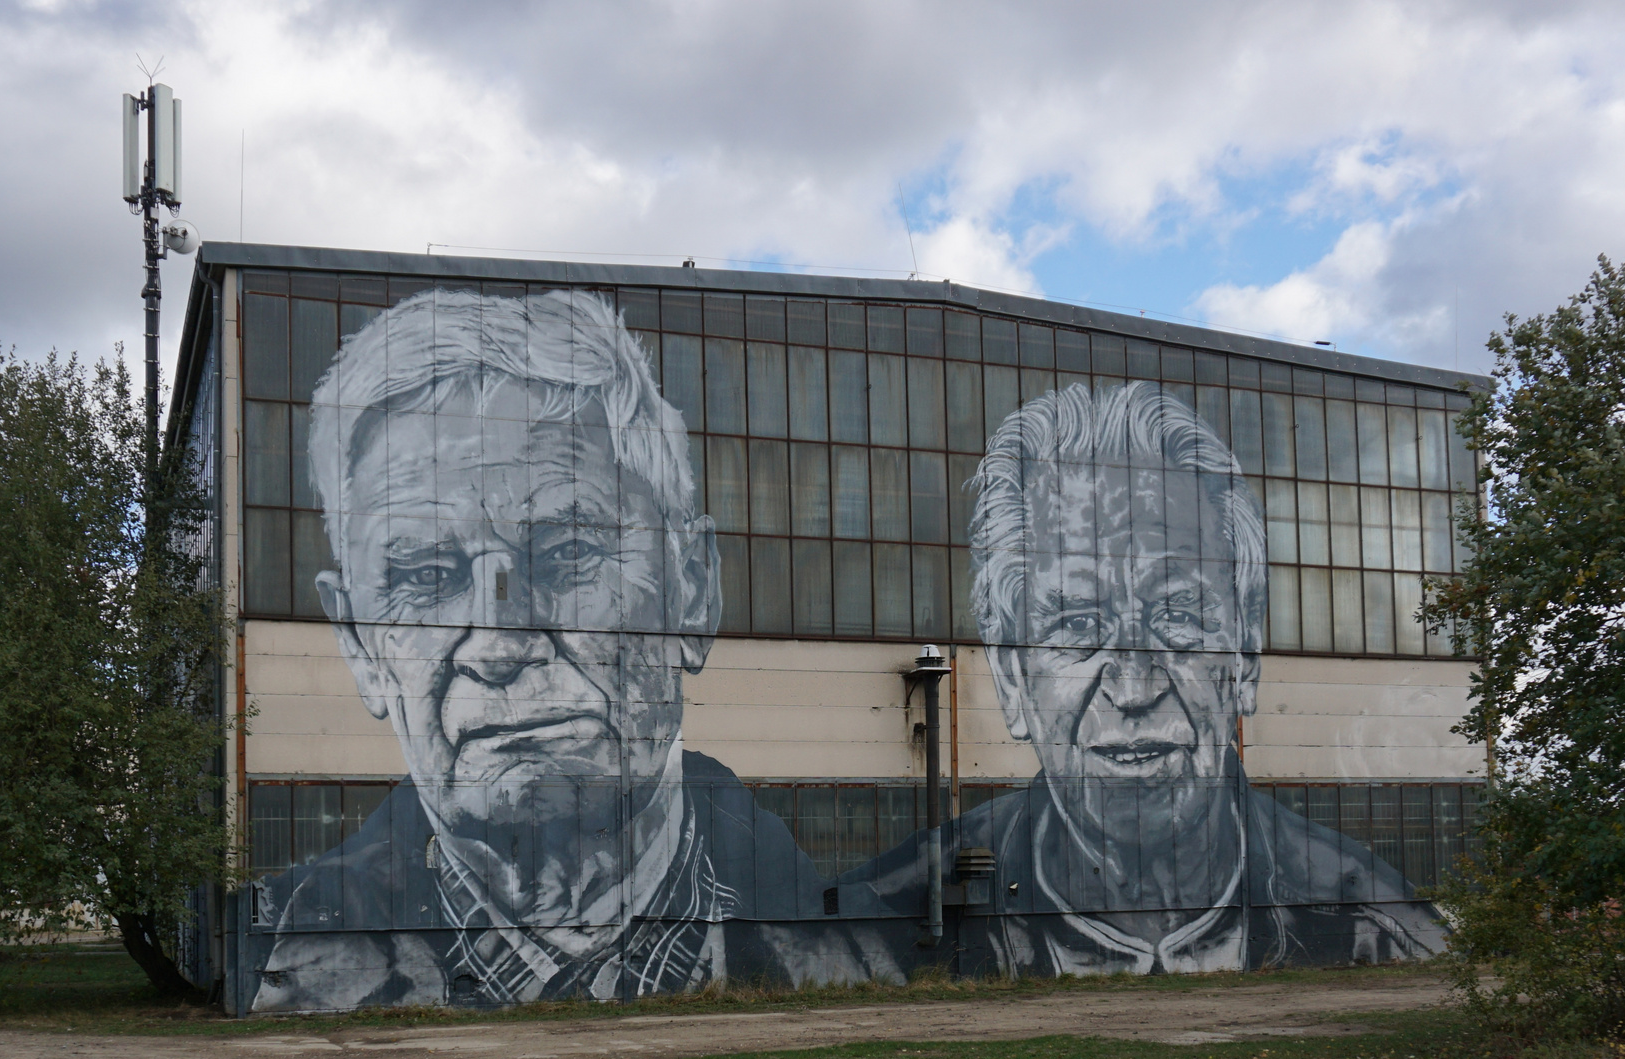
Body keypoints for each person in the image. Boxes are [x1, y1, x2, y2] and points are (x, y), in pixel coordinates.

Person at [248, 289, 882, 1011]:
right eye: (426, 576)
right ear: (359, 645)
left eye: (568, 552)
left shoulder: (859, 957)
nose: (498, 646)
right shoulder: (300, 970)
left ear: (692, 589)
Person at [834, 381, 1441, 976]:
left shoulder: (1377, 928)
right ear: (1013, 678)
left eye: (1178, 616)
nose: (1133, 687)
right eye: (1076, 622)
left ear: (1246, 657)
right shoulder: (872, 938)